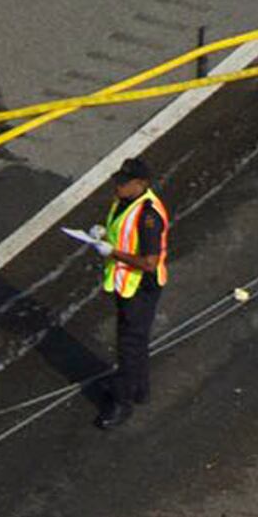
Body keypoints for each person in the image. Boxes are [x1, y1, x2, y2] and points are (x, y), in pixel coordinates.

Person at [91, 162, 170, 430]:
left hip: (140, 286)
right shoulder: (125, 201)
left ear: (141, 184)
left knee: (129, 344)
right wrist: (103, 233)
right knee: (133, 339)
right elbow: (121, 231)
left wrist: (112, 252)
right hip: (126, 283)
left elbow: (149, 262)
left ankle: (121, 401)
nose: (118, 186)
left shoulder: (149, 216)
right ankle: (139, 388)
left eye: (124, 182)